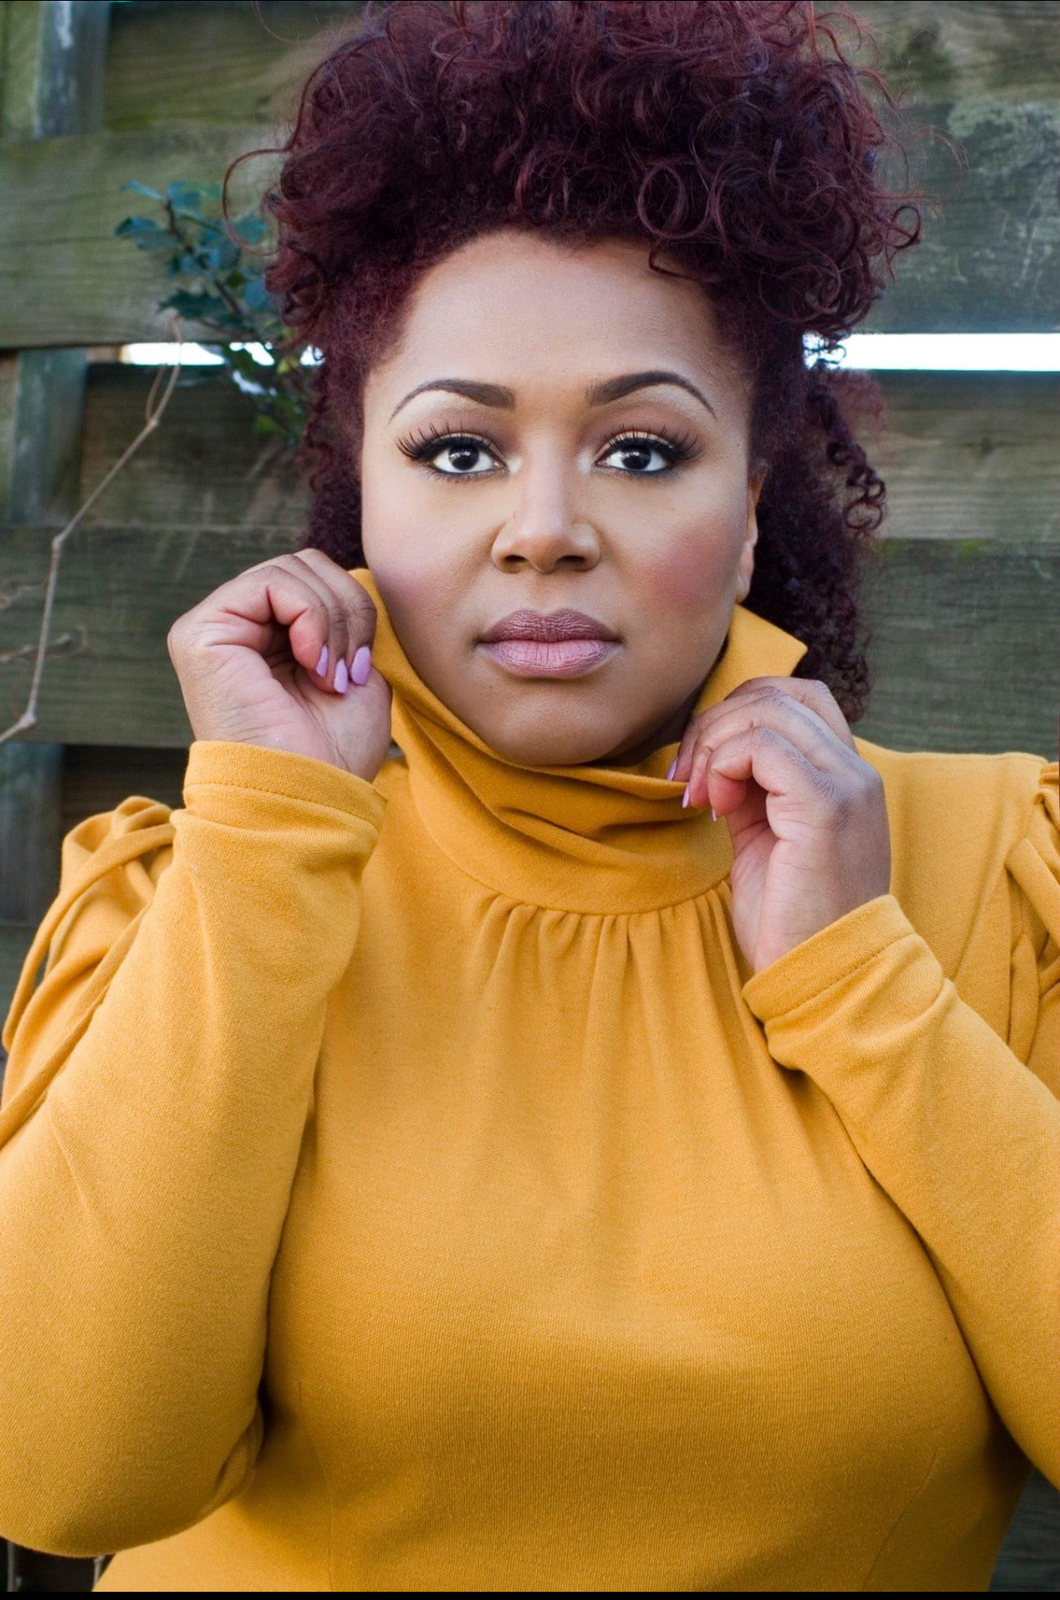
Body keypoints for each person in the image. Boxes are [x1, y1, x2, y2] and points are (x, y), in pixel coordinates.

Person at [1, 1, 1057, 1591]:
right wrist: (267, 853)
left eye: (642, 451)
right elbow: (60, 1474)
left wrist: (866, 991)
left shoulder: (1000, 871)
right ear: (362, 497)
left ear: (751, 512)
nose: (545, 527)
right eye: (457, 450)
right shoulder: (198, 888)